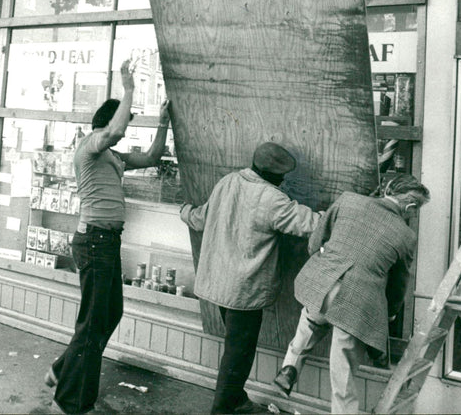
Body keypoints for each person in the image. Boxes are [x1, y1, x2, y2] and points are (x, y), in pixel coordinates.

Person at [46, 59, 171, 414]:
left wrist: (163, 124)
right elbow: (114, 131)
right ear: (108, 121)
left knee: (108, 313)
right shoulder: (91, 145)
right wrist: (129, 89)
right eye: (125, 119)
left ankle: (60, 371)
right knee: (92, 321)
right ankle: (69, 402)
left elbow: (151, 157)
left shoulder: (113, 157)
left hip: (106, 243)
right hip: (95, 242)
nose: (127, 127)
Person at [181, 142, 323, 414]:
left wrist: (184, 210)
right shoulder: (272, 199)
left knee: (235, 347)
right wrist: (344, 216)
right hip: (243, 292)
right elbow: (311, 225)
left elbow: (199, 218)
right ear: (273, 175)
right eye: (281, 177)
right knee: (239, 352)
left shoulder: (228, 181)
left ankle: (236, 399)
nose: (283, 182)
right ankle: (221, 409)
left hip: (218, 285)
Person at [273, 174, 430, 413]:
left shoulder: (348, 200)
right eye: (416, 210)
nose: (413, 215)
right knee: (342, 371)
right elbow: (399, 286)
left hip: (322, 281)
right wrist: (390, 314)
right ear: (409, 206)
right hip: (357, 302)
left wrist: (322, 259)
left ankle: (290, 368)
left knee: (311, 321)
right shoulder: (406, 236)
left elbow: (316, 240)